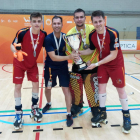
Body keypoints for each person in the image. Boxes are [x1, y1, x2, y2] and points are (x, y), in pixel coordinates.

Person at [79, 10, 131, 133]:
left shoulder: (113, 33)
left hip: (116, 65)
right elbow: (91, 50)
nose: (98, 24)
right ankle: (103, 114)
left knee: (121, 90)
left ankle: (126, 117)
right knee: (101, 89)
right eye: (95, 22)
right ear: (92, 22)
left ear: (104, 21)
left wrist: (96, 64)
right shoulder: (92, 35)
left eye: (100, 21)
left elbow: (113, 54)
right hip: (103, 65)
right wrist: (79, 52)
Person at [10, 12, 47, 129]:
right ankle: (18, 113)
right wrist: (16, 53)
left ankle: (34, 107)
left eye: (39, 21)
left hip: (32, 64)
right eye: (34, 21)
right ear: (30, 22)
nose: (37, 23)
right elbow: (12, 45)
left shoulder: (44, 35)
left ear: (41, 22)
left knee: (36, 84)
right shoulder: (22, 32)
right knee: (17, 86)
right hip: (19, 63)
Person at [65, 8, 100, 120]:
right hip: (77, 65)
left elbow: (96, 48)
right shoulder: (70, 33)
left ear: (85, 18)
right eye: (77, 17)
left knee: (92, 88)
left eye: (81, 17)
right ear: (74, 19)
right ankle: (77, 105)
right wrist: (73, 57)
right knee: (76, 89)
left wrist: (92, 59)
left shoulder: (93, 29)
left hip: (91, 65)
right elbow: (67, 50)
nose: (79, 19)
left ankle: (95, 108)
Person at [42, 16, 74, 127]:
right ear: (52, 25)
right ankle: (48, 103)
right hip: (50, 68)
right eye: (54, 23)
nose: (56, 25)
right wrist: (70, 56)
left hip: (63, 68)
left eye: (58, 23)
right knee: (48, 87)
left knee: (66, 89)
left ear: (61, 24)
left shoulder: (67, 37)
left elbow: (74, 49)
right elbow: (53, 57)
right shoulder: (48, 39)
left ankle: (69, 113)